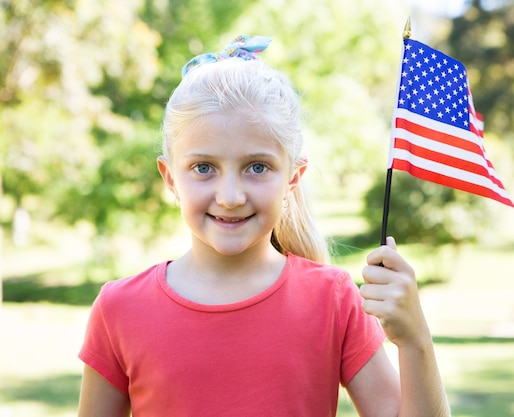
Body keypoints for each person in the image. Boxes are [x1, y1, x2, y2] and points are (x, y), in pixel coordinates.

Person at [77, 35, 451, 417]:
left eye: (257, 167)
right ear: (170, 177)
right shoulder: (119, 309)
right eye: (203, 168)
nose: (230, 196)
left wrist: (415, 340)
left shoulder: (333, 300)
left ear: (293, 176)